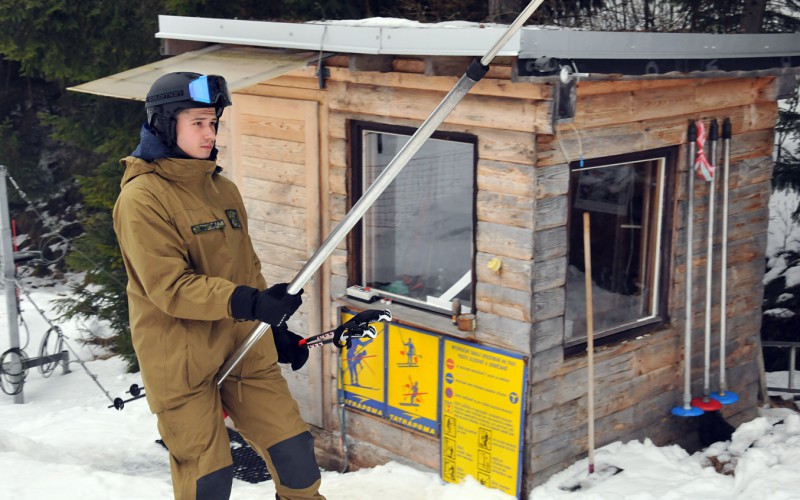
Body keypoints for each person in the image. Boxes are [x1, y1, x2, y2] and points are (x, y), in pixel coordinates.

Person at [113, 72, 325, 500]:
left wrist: (271, 328)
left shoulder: (222, 189)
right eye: (197, 123)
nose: (210, 133)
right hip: (181, 358)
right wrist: (250, 303)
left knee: (295, 454)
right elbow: (170, 287)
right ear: (164, 123)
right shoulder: (142, 198)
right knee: (208, 480)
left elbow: (247, 270)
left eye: (213, 122)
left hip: (243, 344)